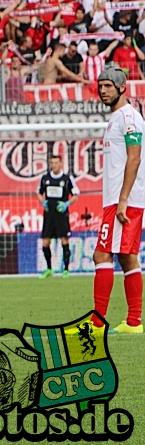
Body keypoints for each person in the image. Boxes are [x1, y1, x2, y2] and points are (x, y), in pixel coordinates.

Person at [94, 66, 144, 334]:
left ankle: (96, 323)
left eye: (108, 86)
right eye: (100, 86)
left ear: (122, 87)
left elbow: (134, 158)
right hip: (120, 198)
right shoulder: (117, 117)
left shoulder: (129, 118)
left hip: (123, 200)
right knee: (127, 257)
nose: (103, 90)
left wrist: (123, 199)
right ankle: (134, 323)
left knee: (101, 254)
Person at [37, 154, 79, 279]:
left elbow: (76, 195)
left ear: (61, 164)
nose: (54, 165)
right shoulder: (45, 178)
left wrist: (67, 203)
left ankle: (66, 269)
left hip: (62, 215)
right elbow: (39, 193)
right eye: (52, 163)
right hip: (49, 215)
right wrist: (43, 202)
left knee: (64, 240)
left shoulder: (67, 179)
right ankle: (49, 269)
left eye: (56, 163)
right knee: (45, 242)